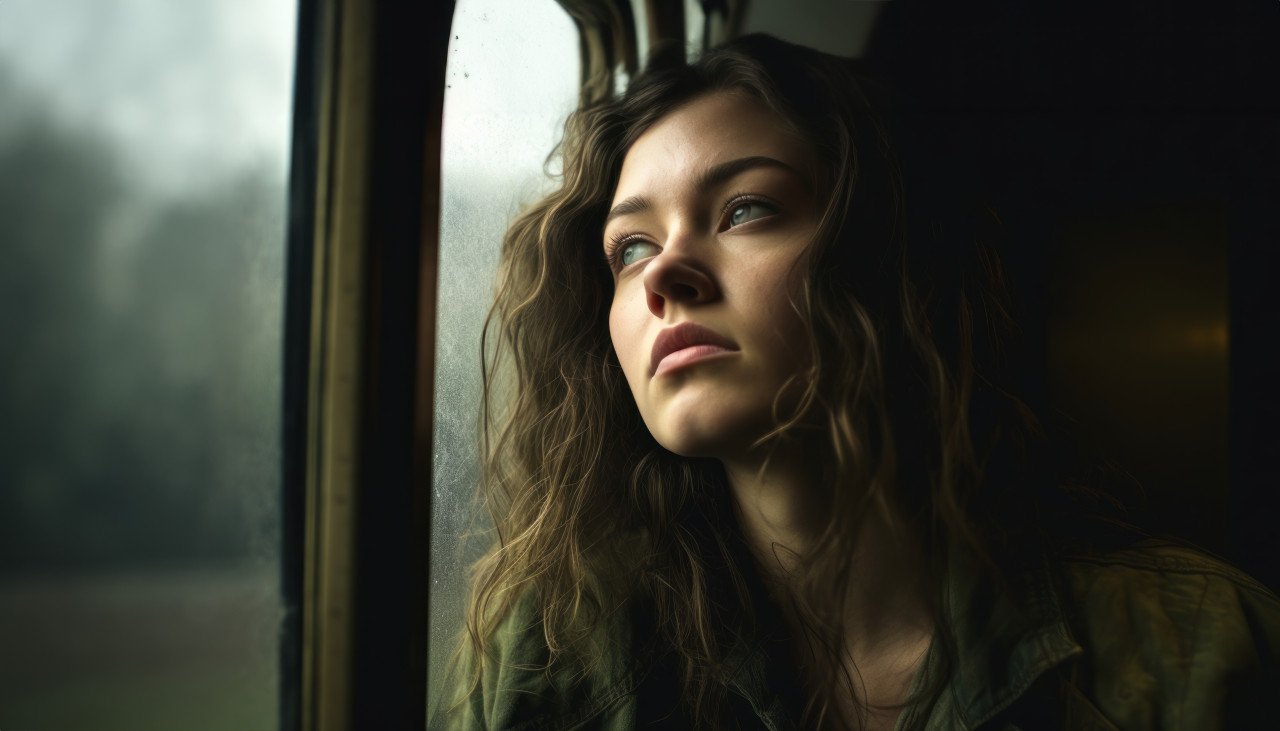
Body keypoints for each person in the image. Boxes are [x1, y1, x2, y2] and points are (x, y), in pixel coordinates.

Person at [433, 34, 1280, 730]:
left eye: (746, 209)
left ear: (886, 258)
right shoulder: (554, 658)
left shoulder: (1205, 656)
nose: (666, 276)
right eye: (632, 248)